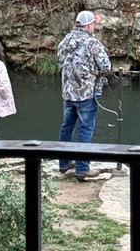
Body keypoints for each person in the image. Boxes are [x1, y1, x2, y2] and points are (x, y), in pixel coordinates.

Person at [57, 10, 111, 181]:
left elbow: (59, 60)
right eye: (94, 23)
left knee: (66, 127)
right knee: (85, 128)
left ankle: (64, 162)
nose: (94, 26)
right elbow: (106, 66)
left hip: (68, 93)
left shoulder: (65, 40)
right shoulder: (92, 43)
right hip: (86, 93)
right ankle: (82, 168)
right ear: (88, 25)